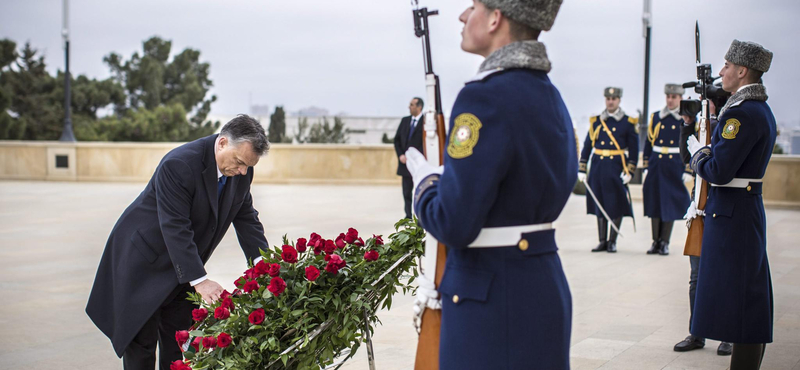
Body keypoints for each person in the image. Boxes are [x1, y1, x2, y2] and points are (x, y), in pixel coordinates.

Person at [405, 0, 574, 368]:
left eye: (473, 6)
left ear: (496, 17)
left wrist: (426, 184)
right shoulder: (550, 94)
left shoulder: (483, 96)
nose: (464, 16)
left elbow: (453, 222)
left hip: (490, 300)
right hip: (543, 284)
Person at [86, 115, 271, 370]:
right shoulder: (180, 164)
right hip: (144, 262)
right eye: (239, 162)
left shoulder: (241, 173)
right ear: (222, 143)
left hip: (180, 265)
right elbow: (175, 226)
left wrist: (264, 265)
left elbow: (246, 217)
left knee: (180, 345)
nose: (241, 171)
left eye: (248, 166)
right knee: (141, 346)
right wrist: (200, 280)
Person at [686, 40, 775, 370]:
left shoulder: (741, 114)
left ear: (742, 70)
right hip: (741, 209)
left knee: (744, 298)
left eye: (726, 65)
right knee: (746, 296)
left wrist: (699, 153)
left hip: (732, 214)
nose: (721, 71)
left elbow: (719, 172)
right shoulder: (756, 109)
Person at [674, 98, 733, 356]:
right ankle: (696, 332)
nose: (701, 108)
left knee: (724, 276)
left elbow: (720, 166)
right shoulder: (699, 127)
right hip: (698, 210)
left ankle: (728, 334)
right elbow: (688, 158)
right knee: (696, 279)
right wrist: (688, 125)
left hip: (719, 210)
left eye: (706, 104)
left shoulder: (724, 125)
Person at [578, 87, 639, 253]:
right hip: (598, 167)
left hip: (616, 167)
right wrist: (582, 167)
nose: (610, 101)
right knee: (600, 204)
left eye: (613, 99)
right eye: (608, 99)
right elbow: (587, 145)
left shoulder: (627, 122)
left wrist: (630, 172)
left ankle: (612, 241)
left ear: (619, 100)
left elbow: (633, 150)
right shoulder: (596, 121)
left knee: (615, 204)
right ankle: (602, 241)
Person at [642, 84, 692, 256]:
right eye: (668, 96)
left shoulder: (685, 118)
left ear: (680, 98)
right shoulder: (656, 117)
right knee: (655, 202)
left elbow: (690, 145)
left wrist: (688, 169)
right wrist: (646, 165)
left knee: (669, 204)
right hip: (657, 164)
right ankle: (655, 241)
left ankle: (665, 242)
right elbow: (649, 142)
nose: (670, 100)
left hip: (674, 164)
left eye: (674, 97)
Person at [394, 97, 425, 219]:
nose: (409, 107)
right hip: (404, 164)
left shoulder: (426, 121)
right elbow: (397, 140)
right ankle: (408, 216)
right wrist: (401, 155)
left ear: (419, 107)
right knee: (406, 192)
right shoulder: (405, 121)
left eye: (412, 105)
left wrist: (417, 158)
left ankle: (420, 216)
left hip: (418, 165)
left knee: (419, 192)